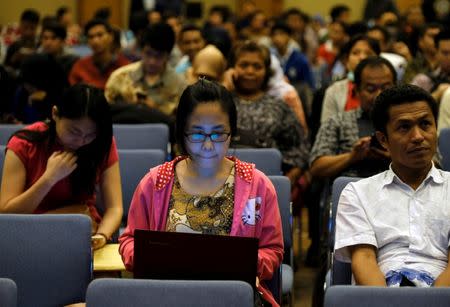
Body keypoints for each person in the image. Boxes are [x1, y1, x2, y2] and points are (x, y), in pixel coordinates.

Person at [118, 80, 283, 306]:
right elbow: (129, 240)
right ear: (182, 131)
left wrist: (246, 262)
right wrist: (151, 258)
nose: (207, 146)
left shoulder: (256, 185)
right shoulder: (156, 183)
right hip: (167, 297)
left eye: (217, 134)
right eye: (196, 134)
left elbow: (273, 249)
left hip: (231, 298)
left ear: (232, 131)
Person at [335, 84, 450, 287]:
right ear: (383, 140)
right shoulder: (357, 194)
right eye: (404, 127)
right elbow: (365, 261)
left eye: (425, 124)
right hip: (382, 293)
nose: (418, 137)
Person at [0, 84, 123, 250]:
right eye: (74, 131)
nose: (81, 141)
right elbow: (6, 214)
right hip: (30, 232)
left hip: (83, 231)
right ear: (55, 114)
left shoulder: (102, 143)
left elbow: (115, 208)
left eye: (90, 134)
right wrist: (48, 179)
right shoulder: (24, 143)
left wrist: (102, 236)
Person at [230, 41, 310, 184]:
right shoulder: (221, 104)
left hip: (267, 184)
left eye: (257, 66)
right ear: (232, 68)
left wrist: (283, 185)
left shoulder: (279, 107)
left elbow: (301, 150)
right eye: (243, 65)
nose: (250, 71)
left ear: (267, 71)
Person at [105, 22, 187, 118]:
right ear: (141, 50)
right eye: (148, 53)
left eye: (159, 56)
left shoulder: (179, 85)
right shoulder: (119, 77)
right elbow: (104, 114)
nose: (152, 61)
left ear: (168, 56)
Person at [68, 19, 130, 89]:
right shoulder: (80, 67)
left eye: (100, 35)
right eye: (91, 37)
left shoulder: (124, 66)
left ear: (111, 37)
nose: (95, 41)